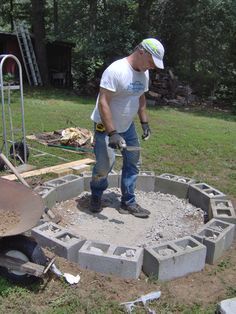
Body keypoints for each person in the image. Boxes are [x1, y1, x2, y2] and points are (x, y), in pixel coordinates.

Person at [90, 38, 165, 218]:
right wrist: (113, 133)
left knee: (133, 162)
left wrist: (144, 122)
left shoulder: (144, 72)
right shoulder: (116, 70)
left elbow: (141, 98)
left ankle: (128, 202)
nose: (152, 67)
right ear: (141, 52)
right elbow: (103, 102)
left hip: (128, 126)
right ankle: (96, 196)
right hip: (106, 127)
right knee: (104, 165)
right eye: (151, 62)